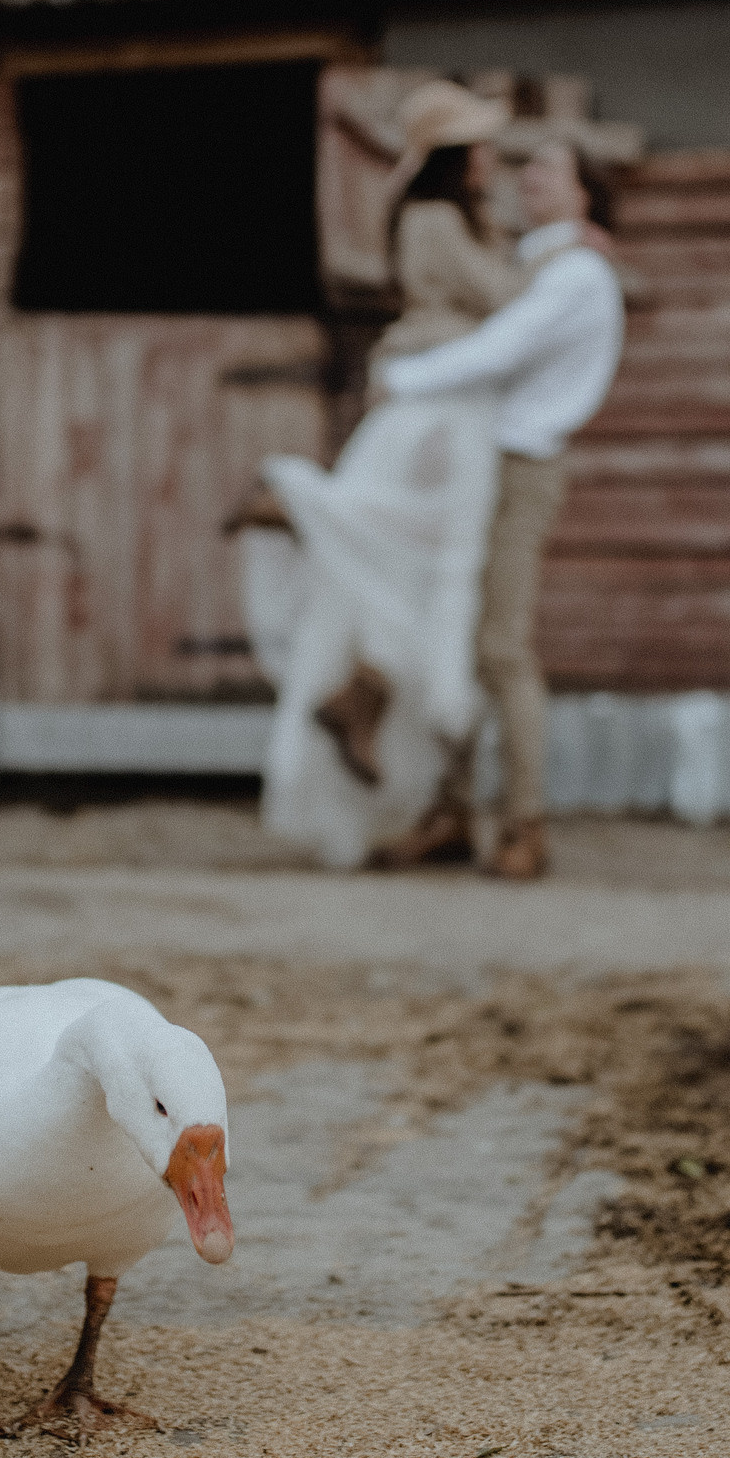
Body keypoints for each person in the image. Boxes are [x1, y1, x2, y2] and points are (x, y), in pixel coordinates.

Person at [235, 81, 530, 869]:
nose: (491, 159)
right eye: (481, 146)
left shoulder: (433, 216)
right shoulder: (437, 219)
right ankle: (301, 497)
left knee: (400, 569)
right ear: (456, 155)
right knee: (429, 563)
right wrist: (560, 256)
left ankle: (358, 696)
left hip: (431, 396)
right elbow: (502, 299)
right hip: (442, 404)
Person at [368, 138, 625, 880]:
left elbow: (502, 348)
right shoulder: (531, 261)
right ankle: (450, 813)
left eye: (548, 168)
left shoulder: (576, 273)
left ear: (584, 193)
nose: (529, 177)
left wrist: (402, 379)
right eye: (526, 166)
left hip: (521, 466)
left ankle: (525, 822)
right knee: (450, 632)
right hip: (477, 458)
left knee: (501, 646)